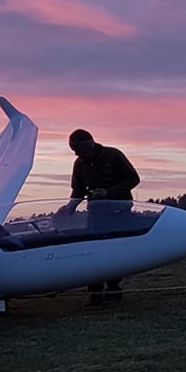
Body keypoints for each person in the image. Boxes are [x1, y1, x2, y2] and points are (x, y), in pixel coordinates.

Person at [68, 128, 140, 304]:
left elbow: (133, 179)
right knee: (94, 251)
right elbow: (78, 190)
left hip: (119, 212)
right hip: (96, 214)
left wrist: (109, 193)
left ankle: (114, 290)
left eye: (78, 149)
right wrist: (69, 208)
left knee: (115, 252)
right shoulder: (79, 163)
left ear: (89, 145)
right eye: (73, 150)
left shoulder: (114, 155)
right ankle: (95, 293)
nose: (76, 154)